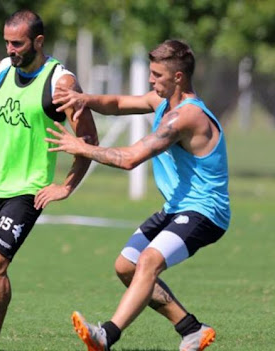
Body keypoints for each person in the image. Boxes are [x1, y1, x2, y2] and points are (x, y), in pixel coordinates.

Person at [48, 39, 230, 351]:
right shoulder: (163, 104)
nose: (150, 79)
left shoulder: (186, 117)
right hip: (177, 207)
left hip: (206, 211)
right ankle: (192, 329)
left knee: (148, 261)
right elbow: (118, 104)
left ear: (178, 78)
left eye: (157, 75)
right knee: (126, 266)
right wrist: (83, 99)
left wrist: (83, 148)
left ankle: (107, 335)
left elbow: (130, 158)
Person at [0, 9, 98, 351]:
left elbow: (87, 141)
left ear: (38, 42)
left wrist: (66, 186)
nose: (10, 49)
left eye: (17, 43)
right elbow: (0, 125)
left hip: (27, 190)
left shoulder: (61, 83)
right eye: (7, 42)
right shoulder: (2, 69)